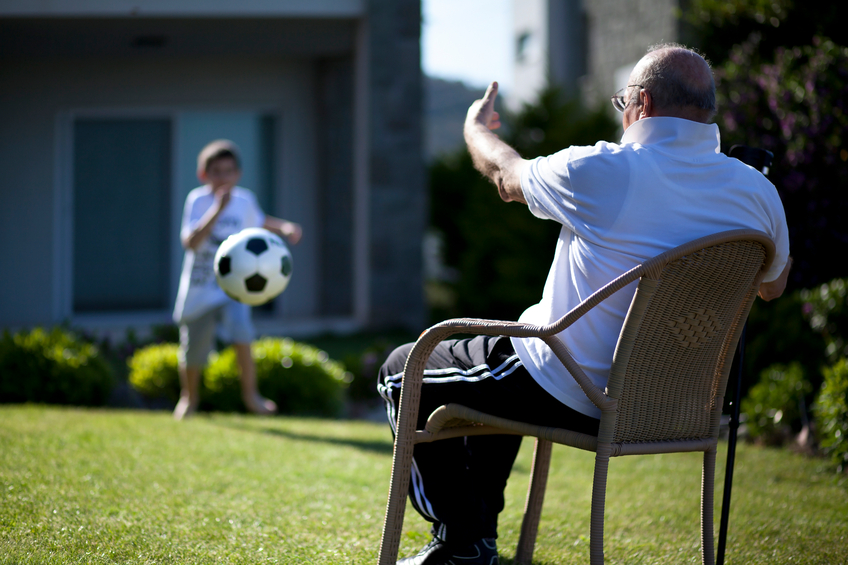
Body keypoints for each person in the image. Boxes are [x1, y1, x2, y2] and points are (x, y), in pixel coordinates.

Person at [377, 44, 791, 565]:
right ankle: (470, 541)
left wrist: (475, 129)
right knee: (498, 367)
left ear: (640, 102)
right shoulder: (757, 191)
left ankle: (463, 541)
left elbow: (507, 178)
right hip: (674, 407)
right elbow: (771, 287)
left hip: (568, 390)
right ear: (707, 110)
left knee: (402, 369)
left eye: (623, 101)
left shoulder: (603, 169)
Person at [172, 139, 302, 420]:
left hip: (231, 289)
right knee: (193, 350)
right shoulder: (197, 200)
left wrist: (285, 227)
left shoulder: (244, 200)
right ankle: (189, 398)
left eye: (229, 171)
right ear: (203, 175)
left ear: (238, 174)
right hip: (199, 290)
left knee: (242, 331)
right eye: (217, 171)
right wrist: (217, 209)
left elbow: (259, 220)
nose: (223, 177)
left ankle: (251, 396)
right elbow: (191, 242)